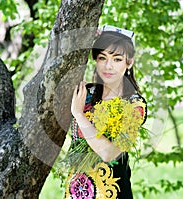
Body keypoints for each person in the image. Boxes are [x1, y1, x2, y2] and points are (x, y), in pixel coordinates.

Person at [65, 25, 147, 199]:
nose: (108, 66)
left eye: (117, 59)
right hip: (76, 192)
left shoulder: (134, 105)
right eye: (102, 58)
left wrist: (79, 115)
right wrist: (84, 37)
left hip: (112, 193)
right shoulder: (85, 94)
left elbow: (109, 153)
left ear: (129, 62)